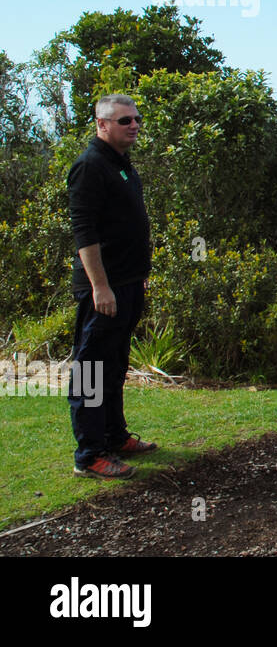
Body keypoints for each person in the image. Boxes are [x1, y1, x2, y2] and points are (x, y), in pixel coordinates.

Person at [67, 94, 158, 479]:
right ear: (102, 124)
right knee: (90, 368)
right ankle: (89, 455)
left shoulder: (120, 165)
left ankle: (115, 436)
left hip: (128, 284)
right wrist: (100, 287)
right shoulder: (89, 166)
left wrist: (139, 275)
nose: (134, 125)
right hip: (102, 290)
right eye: (124, 121)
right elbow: (84, 233)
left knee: (115, 365)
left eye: (136, 119)